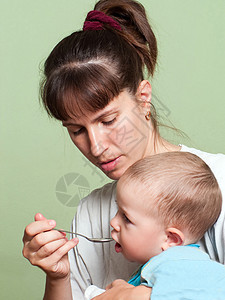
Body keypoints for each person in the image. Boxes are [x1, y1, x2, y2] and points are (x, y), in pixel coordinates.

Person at [22, 0, 225, 299]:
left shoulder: (218, 183)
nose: (96, 146)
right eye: (76, 130)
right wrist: (57, 277)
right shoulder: (92, 212)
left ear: (143, 98)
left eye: (108, 120)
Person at [85, 152, 225, 299]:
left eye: (126, 218)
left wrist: (134, 295)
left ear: (171, 239)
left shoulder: (181, 262)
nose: (113, 222)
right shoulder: (165, 265)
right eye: (117, 210)